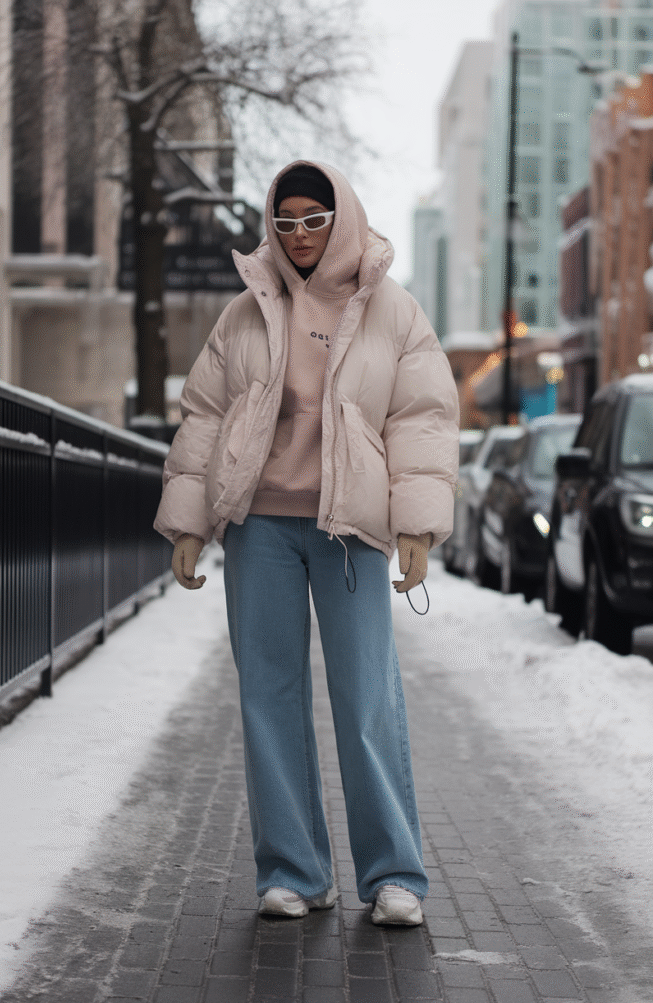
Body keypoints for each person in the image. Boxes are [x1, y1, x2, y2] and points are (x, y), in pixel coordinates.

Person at [154, 160, 459, 926]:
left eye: (312, 220)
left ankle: (394, 875)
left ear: (341, 219)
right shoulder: (245, 312)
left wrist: (416, 524)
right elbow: (202, 417)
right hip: (259, 527)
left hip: (350, 530)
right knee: (269, 697)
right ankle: (293, 869)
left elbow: (420, 419)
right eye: (283, 221)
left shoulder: (392, 311)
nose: (296, 235)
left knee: (366, 700)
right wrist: (189, 522)